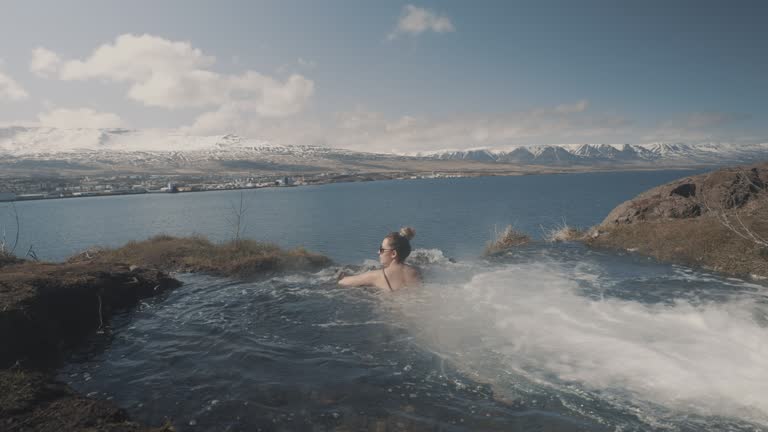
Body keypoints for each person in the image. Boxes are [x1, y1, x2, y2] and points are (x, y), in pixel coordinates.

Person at [338, 227, 422, 291]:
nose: (378, 252)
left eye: (381, 249)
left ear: (393, 254)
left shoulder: (377, 275)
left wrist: (340, 275)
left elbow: (343, 282)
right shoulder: (416, 272)